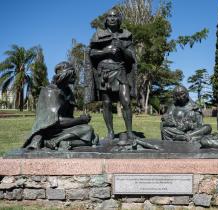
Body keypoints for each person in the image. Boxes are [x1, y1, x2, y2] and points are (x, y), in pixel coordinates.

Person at [85, 8, 136, 140]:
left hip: (120, 71)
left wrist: (122, 48)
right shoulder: (98, 35)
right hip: (105, 73)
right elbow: (91, 53)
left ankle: (129, 132)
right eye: (109, 16)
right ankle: (110, 132)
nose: (112, 18)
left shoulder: (126, 35)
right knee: (106, 103)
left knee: (126, 102)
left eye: (115, 16)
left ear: (119, 19)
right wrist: (107, 52)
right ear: (106, 20)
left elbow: (131, 57)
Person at [23, 61, 99, 150]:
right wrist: (80, 120)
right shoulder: (50, 92)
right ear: (65, 74)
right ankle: (54, 141)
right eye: (73, 74)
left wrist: (79, 120)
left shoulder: (68, 92)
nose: (75, 77)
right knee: (89, 134)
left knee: (89, 130)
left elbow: (69, 117)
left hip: (63, 129)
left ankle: (64, 142)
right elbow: (56, 121)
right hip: (51, 131)